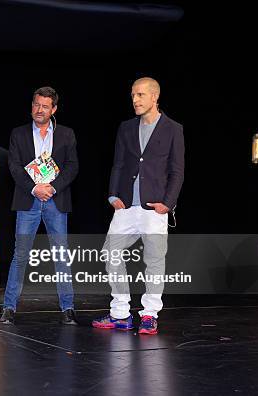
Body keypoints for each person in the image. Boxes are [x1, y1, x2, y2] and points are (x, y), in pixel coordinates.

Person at [92, 77, 184, 335]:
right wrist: (112, 195)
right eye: (133, 95)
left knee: (154, 261)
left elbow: (177, 171)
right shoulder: (126, 127)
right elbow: (118, 163)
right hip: (125, 206)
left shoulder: (173, 128)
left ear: (155, 97)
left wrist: (168, 203)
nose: (135, 100)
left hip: (154, 207)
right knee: (111, 253)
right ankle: (120, 312)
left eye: (141, 95)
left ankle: (149, 314)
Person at [0, 86, 79, 325]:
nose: (39, 110)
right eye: (36, 105)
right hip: (28, 199)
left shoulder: (66, 134)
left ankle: (68, 307)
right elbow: (14, 166)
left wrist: (52, 187)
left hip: (56, 199)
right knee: (21, 254)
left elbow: (72, 166)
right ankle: (9, 307)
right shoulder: (19, 133)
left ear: (54, 109)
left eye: (45, 106)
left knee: (60, 255)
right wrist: (35, 188)